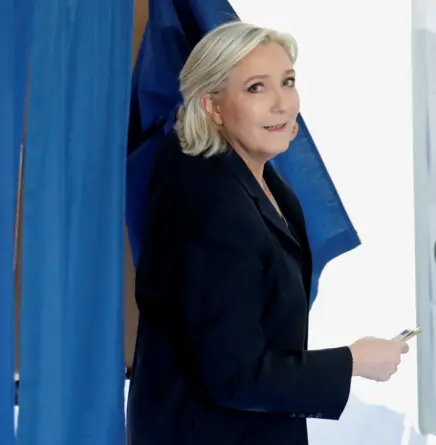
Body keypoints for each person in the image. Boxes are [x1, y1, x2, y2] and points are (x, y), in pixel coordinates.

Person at [126, 20, 409, 445]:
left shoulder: (250, 176)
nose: (282, 103)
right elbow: (236, 375)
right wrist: (353, 362)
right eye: (256, 88)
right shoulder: (213, 207)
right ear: (213, 106)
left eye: (287, 81)